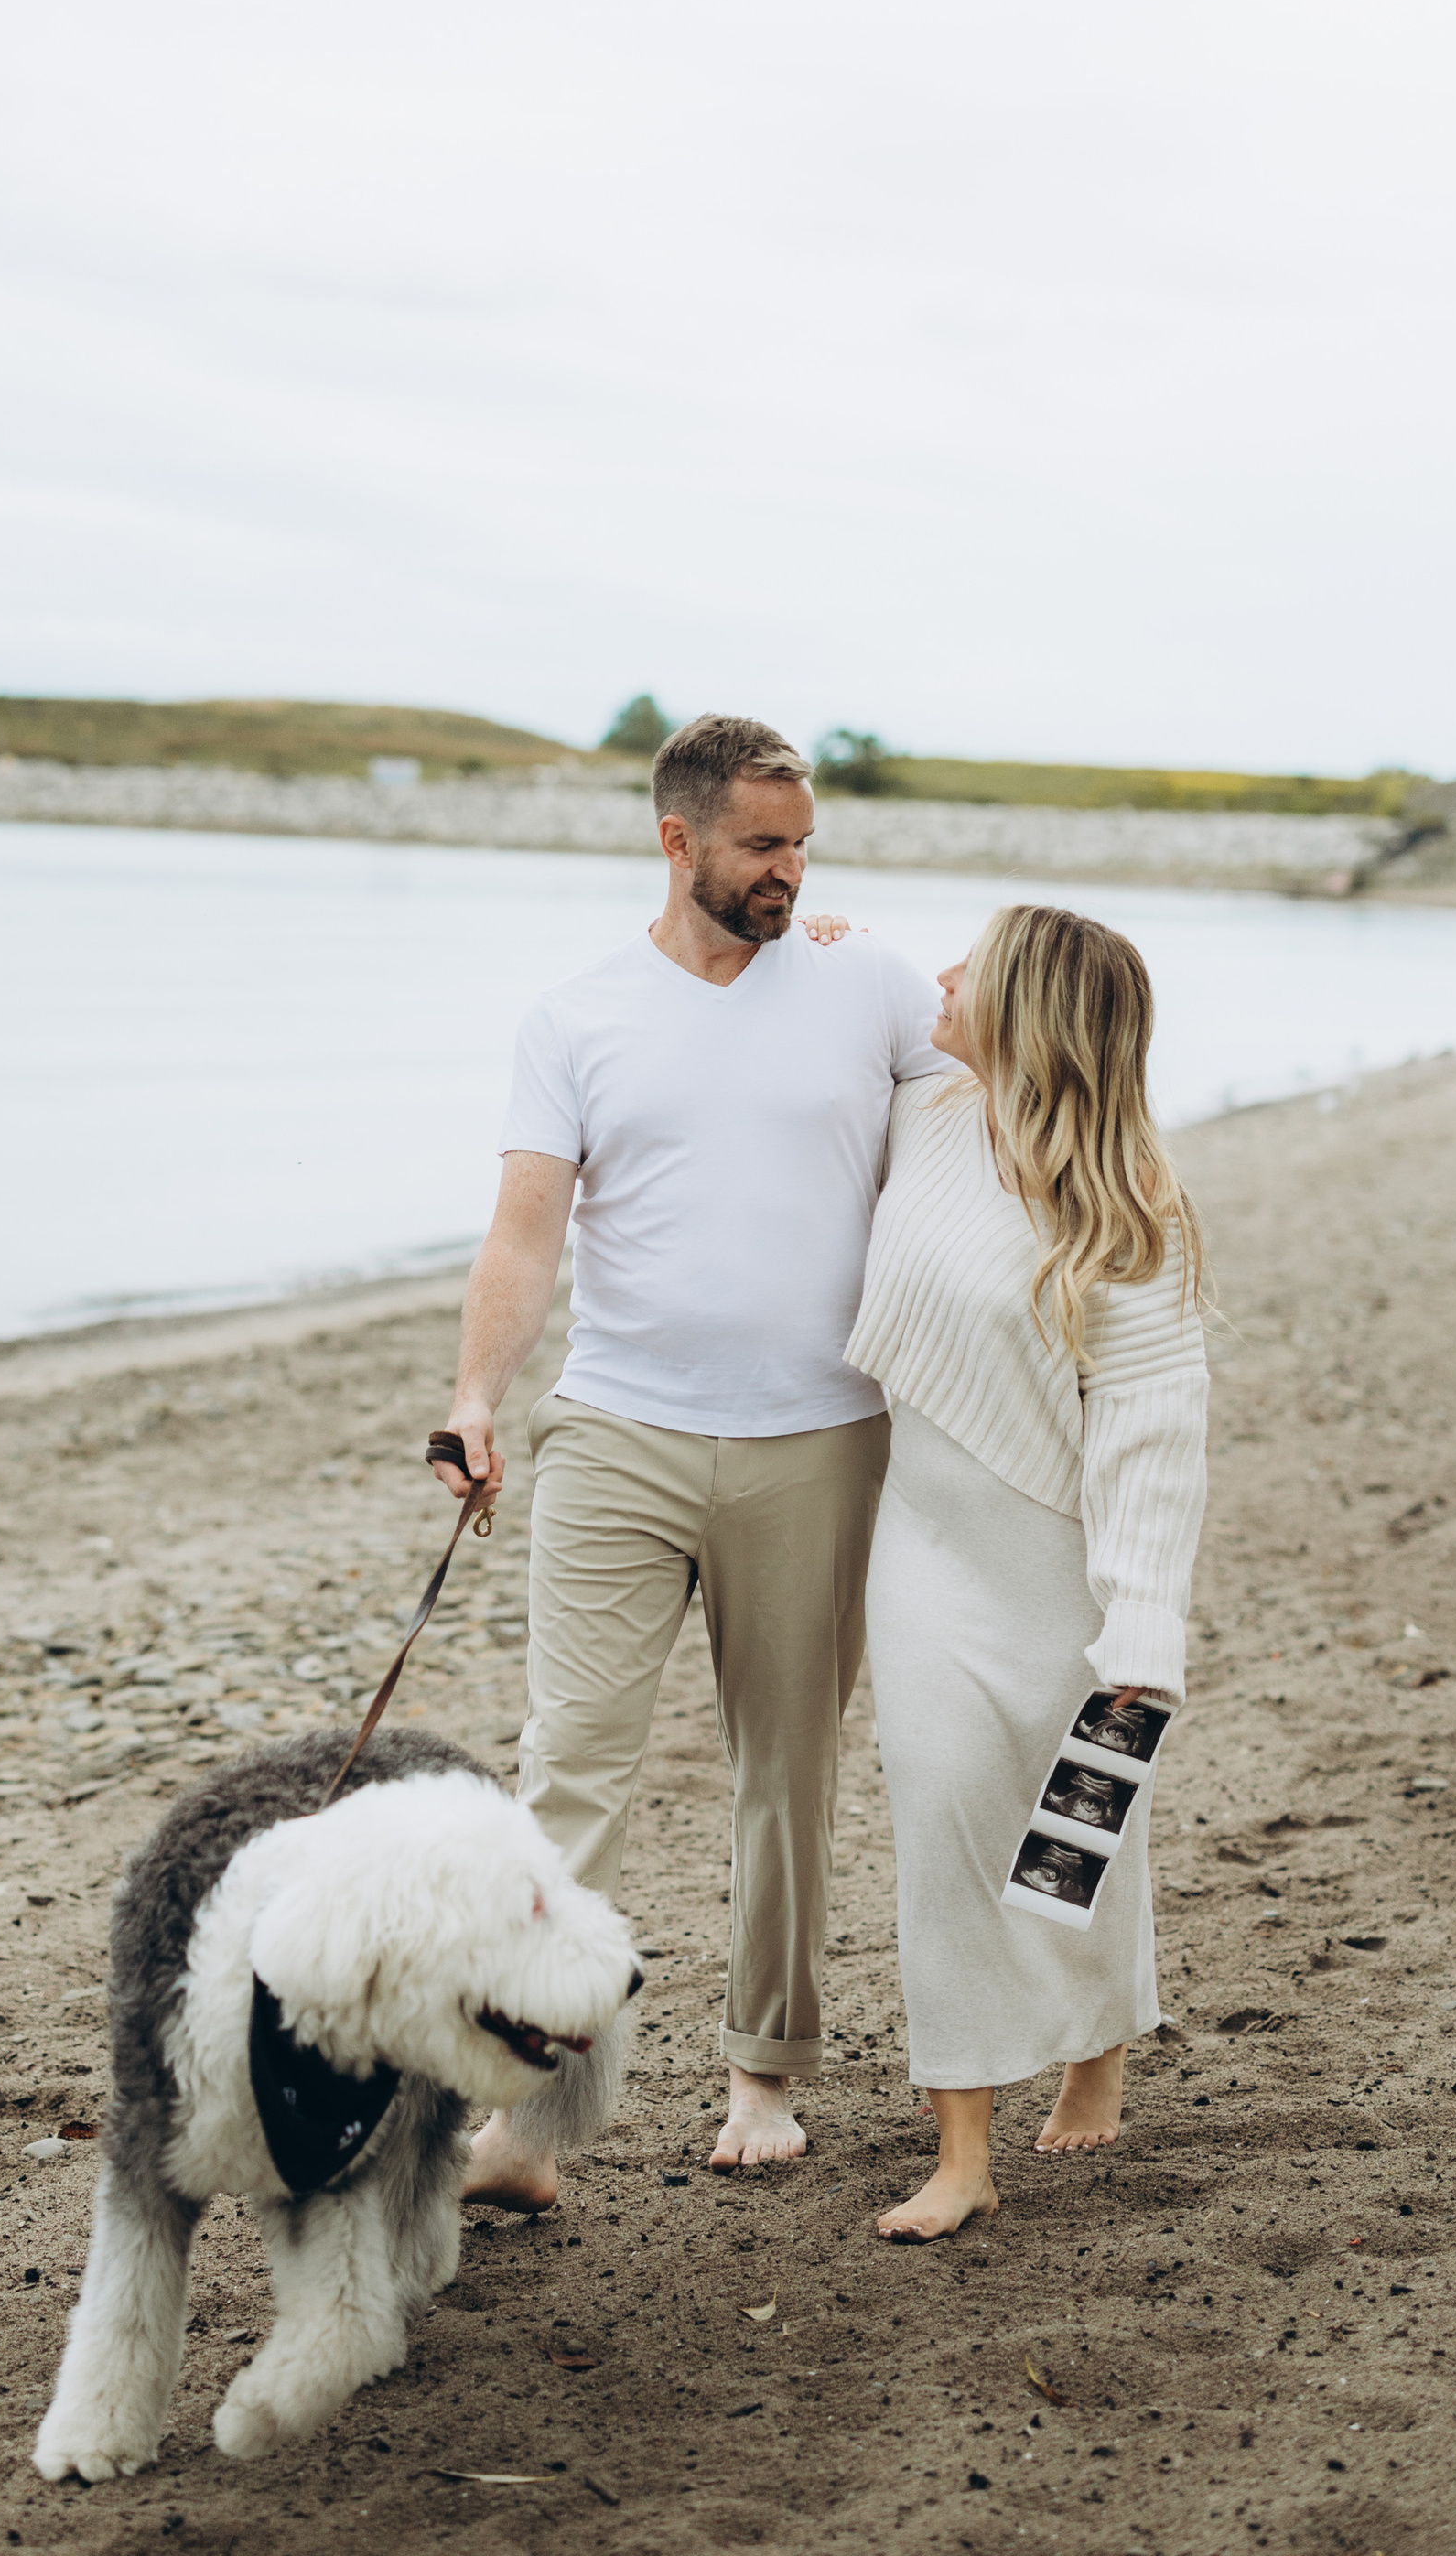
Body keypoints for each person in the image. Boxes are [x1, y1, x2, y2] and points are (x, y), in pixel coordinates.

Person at [432, 713, 947, 2199]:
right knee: (569, 1767)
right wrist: (478, 1392)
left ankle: (761, 2077)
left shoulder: (865, 981)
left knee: (783, 1775)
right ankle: (528, 2121)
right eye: (761, 846)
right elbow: (526, 1229)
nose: (790, 870)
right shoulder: (578, 1016)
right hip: (617, 1430)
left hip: (819, 1442)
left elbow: (1006, 1072)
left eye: (803, 845)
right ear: (679, 842)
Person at [842, 901, 1210, 2240]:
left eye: (970, 967)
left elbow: (1156, 1439)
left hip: (1068, 1566)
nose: (937, 977)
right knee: (946, 1819)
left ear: (1029, 1009)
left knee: (1078, 1836)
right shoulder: (925, 1113)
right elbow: (828, 1021)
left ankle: (1097, 2050)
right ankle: (963, 2149)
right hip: (926, 1547)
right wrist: (814, 942)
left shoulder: (1127, 1213)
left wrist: (1143, 1632)